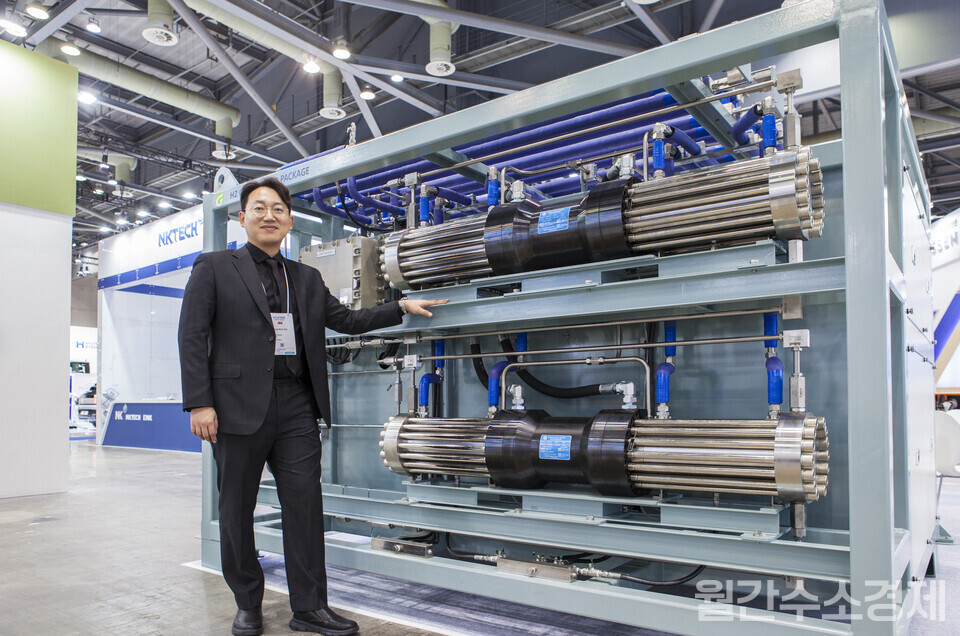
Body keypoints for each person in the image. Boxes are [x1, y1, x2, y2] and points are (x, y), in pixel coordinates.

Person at [178, 177, 446, 636]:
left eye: (278, 209)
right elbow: (192, 335)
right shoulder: (215, 267)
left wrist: (400, 305)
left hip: (296, 405)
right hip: (236, 407)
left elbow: (348, 320)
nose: (269, 215)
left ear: (289, 221)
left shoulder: (305, 277)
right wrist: (199, 403)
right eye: (259, 208)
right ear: (242, 218)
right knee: (236, 510)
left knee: (304, 508)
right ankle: (247, 602)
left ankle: (309, 608)